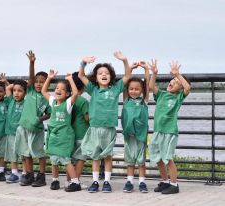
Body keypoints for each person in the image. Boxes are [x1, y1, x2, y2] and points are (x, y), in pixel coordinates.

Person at [79, 51, 131, 193]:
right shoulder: (93, 89)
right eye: (100, 73)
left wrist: (125, 61)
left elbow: (127, 76)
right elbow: (81, 76)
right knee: (95, 157)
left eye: (106, 73)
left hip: (109, 128)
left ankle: (107, 182)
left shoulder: (115, 89)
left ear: (111, 76)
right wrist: (83, 63)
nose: (103, 75)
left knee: (108, 156)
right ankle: (95, 181)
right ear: (96, 77)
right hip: (95, 127)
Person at [149, 60, 191, 194]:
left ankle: (174, 184)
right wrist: (154, 73)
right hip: (157, 131)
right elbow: (151, 86)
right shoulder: (161, 94)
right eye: (173, 80)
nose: (173, 82)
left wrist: (178, 75)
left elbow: (187, 88)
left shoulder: (178, 97)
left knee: (168, 158)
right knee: (157, 158)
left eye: (177, 82)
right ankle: (165, 181)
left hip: (169, 132)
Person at [42, 70, 81, 192]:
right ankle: (55, 180)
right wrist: (49, 78)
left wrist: (70, 79)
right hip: (53, 135)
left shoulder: (68, 104)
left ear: (67, 93)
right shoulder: (53, 102)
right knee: (53, 158)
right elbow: (43, 91)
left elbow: (75, 93)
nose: (58, 90)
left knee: (65, 159)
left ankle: (75, 182)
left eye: (62, 89)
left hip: (64, 136)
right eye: (57, 88)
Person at [16, 51, 51, 187]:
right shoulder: (29, 91)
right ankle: (29, 174)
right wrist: (32, 63)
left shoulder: (47, 98)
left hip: (36, 129)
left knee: (39, 153)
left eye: (42, 82)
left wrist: (40, 119)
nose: (38, 84)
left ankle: (41, 176)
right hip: (23, 126)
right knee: (26, 153)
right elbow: (30, 77)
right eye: (37, 82)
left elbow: (49, 113)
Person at [121, 61, 150, 193]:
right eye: (131, 89)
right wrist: (129, 69)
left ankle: (142, 183)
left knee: (141, 161)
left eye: (137, 89)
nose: (133, 91)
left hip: (141, 137)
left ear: (142, 90)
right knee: (130, 161)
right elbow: (126, 81)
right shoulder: (126, 100)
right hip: (129, 136)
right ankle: (129, 181)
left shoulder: (144, 101)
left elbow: (147, 83)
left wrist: (146, 69)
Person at [4, 79, 28, 183]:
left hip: (22, 132)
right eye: (15, 90)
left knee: (23, 153)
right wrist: (20, 83)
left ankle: (24, 173)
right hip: (10, 132)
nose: (16, 93)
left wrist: (24, 84)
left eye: (20, 90)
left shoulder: (27, 103)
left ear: (25, 93)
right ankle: (14, 173)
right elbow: (8, 88)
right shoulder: (10, 100)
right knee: (12, 154)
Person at [69, 72, 89, 185]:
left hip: (69, 134)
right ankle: (76, 181)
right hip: (82, 134)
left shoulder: (68, 99)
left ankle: (69, 180)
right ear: (84, 86)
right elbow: (87, 118)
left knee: (70, 159)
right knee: (80, 158)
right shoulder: (83, 101)